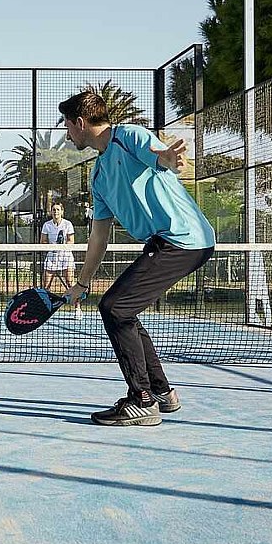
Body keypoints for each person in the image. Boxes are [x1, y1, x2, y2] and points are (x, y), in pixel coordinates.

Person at [59, 87, 215, 427]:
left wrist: (170, 159)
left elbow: (159, 155)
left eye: (67, 126)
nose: (66, 133)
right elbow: (99, 236)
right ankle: (160, 392)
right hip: (166, 242)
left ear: (81, 123)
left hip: (184, 239)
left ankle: (141, 400)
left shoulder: (128, 136)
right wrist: (81, 284)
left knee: (115, 307)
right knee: (122, 309)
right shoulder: (98, 175)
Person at [39, 201, 83, 320]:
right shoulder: (47, 225)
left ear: (62, 212)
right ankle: (44, 309)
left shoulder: (68, 224)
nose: (56, 212)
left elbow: (71, 241)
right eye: (54, 210)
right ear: (51, 212)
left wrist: (62, 245)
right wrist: (53, 246)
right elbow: (42, 241)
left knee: (70, 282)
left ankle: (77, 308)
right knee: (46, 285)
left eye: (58, 209)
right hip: (52, 256)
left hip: (66, 256)